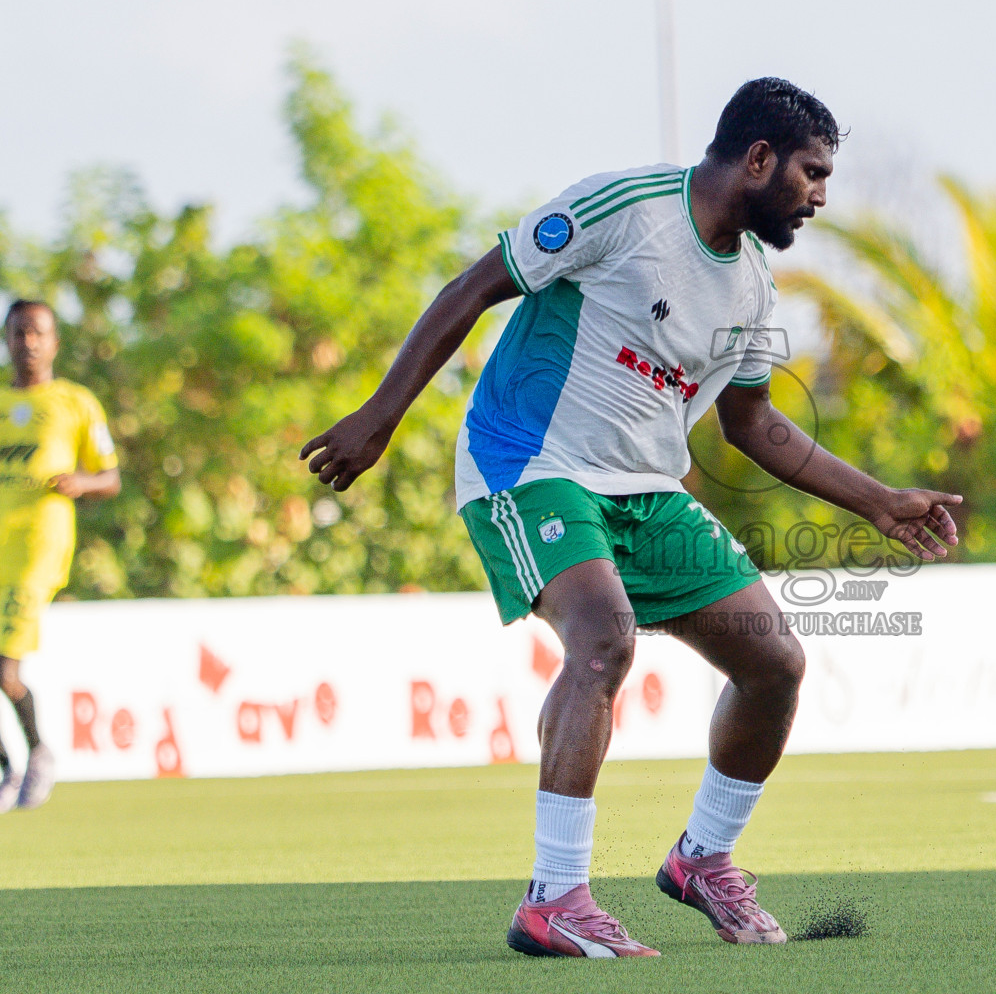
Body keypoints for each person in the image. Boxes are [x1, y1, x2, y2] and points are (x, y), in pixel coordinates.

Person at [302, 78, 962, 958]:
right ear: (758, 158)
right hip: (530, 464)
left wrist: (879, 501)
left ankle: (703, 860)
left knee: (775, 664)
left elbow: (753, 424)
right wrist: (379, 416)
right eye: (813, 173)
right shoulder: (624, 209)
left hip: (646, 489)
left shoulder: (753, 286)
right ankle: (554, 899)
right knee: (604, 640)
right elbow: (473, 286)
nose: (820, 196)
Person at [0, 299, 120, 810]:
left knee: (5, 670)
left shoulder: (76, 402)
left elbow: (110, 477)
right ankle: (9, 767)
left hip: (37, 549)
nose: (27, 342)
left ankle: (38, 752)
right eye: (18, 332)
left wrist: (81, 482)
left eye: (37, 333)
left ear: (54, 343)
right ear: (6, 340)